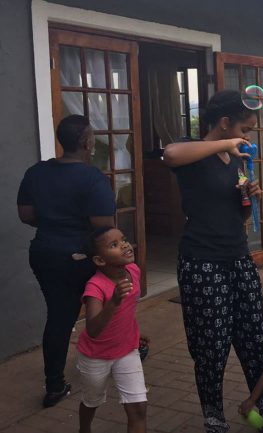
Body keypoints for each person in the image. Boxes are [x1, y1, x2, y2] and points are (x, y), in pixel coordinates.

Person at [163, 90, 263, 433]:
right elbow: (170, 154)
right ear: (224, 123)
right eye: (244, 129)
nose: (247, 137)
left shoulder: (236, 159)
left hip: (238, 257)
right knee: (211, 344)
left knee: (254, 337)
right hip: (202, 262)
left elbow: (236, 215)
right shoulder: (193, 151)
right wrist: (226, 144)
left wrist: (249, 198)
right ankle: (214, 417)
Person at [17, 115, 116, 407]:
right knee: (108, 303)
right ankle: (116, 356)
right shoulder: (92, 178)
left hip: (44, 252)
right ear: (86, 142)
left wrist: (54, 222)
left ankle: (55, 385)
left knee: (59, 316)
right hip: (80, 256)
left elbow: (26, 215)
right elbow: (104, 225)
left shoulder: (36, 172)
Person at [77, 227, 147, 433]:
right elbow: (93, 329)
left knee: (138, 408)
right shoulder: (95, 287)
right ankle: (84, 430)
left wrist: (134, 332)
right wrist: (113, 302)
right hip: (96, 355)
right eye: (114, 245)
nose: (124, 245)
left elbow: (127, 311)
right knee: (92, 401)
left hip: (127, 350)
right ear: (100, 260)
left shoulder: (133, 270)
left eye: (123, 240)